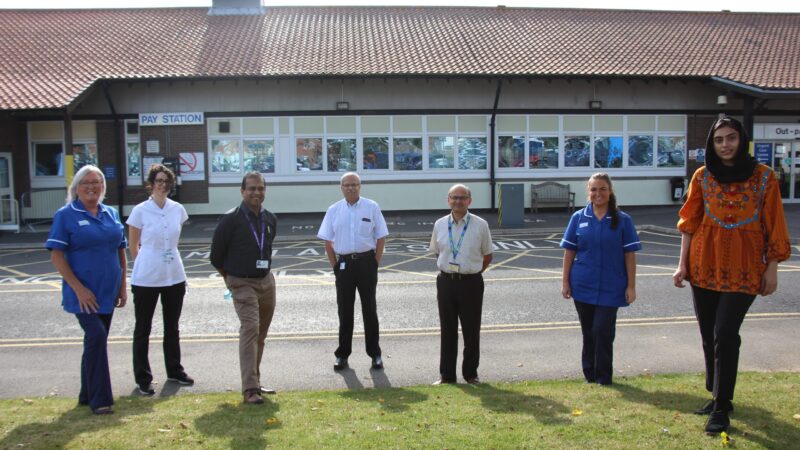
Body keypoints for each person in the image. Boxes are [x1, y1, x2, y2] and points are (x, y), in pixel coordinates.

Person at [673, 116, 790, 434]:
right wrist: (682, 265)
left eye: (731, 138)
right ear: (712, 144)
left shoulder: (765, 178)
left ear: (742, 140)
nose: (725, 145)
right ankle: (717, 394)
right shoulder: (702, 176)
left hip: (745, 269)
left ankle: (722, 409)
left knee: (725, 333)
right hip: (703, 266)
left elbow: (774, 224)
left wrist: (773, 267)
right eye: (719, 139)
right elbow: (689, 224)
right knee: (709, 334)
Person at [45, 165, 127, 415]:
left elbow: (120, 251)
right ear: (76, 187)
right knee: (97, 337)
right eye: (86, 182)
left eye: (97, 182)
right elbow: (57, 257)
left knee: (95, 342)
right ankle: (100, 399)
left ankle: (85, 393)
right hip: (83, 295)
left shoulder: (110, 213)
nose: (92, 187)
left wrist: (123, 286)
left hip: (108, 291)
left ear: (103, 186)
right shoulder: (65, 215)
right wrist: (79, 289)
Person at [560, 173, 641, 386]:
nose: (598, 194)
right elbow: (569, 251)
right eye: (594, 189)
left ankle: (604, 376)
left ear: (610, 191)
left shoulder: (623, 220)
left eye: (602, 189)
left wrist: (631, 286)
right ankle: (590, 374)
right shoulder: (578, 218)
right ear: (589, 192)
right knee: (588, 331)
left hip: (612, 286)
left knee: (602, 330)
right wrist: (565, 282)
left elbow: (630, 255)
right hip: (583, 284)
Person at [210, 172, 278, 405]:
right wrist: (231, 280)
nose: (256, 192)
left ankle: (255, 382)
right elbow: (216, 257)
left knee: (260, 334)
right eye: (251, 189)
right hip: (241, 282)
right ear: (242, 191)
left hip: (266, 281)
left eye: (260, 188)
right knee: (250, 329)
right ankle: (249, 389)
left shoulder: (270, 219)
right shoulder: (231, 219)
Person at [127, 164, 193, 396]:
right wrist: (145, 263)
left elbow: (174, 238)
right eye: (159, 180)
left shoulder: (178, 209)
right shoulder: (140, 211)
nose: (162, 185)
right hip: (147, 276)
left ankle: (174, 370)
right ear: (151, 183)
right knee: (142, 328)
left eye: (167, 181)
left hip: (173, 273)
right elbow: (133, 246)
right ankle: (143, 378)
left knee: (172, 326)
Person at [318, 172, 389, 371]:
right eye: (347, 185)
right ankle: (342, 355)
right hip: (344, 266)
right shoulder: (334, 210)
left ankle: (375, 354)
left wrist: (375, 262)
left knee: (370, 311)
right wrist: (335, 266)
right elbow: (327, 241)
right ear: (341, 188)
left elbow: (381, 236)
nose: (351, 188)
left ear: (360, 186)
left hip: (367, 263)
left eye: (354, 184)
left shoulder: (372, 206)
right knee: (345, 311)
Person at [428, 184, 492, 385]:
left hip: (471, 283)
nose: (458, 201)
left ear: (469, 201)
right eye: (454, 197)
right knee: (447, 330)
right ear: (448, 200)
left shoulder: (481, 224)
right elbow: (438, 251)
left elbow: (488, 255)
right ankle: (446, 376)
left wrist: (471, 272)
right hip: (446, 282)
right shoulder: (439, 224)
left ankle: (471, 374)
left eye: (462, 198)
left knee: (471, 330)